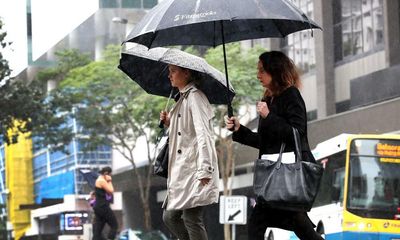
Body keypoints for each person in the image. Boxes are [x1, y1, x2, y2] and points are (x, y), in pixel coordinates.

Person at [225, 51, 323, 240]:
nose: (258, 75)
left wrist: (269, 116)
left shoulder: (291, 95)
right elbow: (264, 142)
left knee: (279, 225)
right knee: (273, 224)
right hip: (273, 176)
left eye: (262, 70)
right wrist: (238, 129)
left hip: (288, 175)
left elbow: (298, 133)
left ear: (275, 70)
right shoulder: (268, 99)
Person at [159, 64, 219, 240]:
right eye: (169, 71)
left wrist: (205, 168)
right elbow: (185, 134)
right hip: (183, 170)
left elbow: (203, 135)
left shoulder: (195, 97)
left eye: (173, 71)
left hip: (195, 169)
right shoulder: (182, 99)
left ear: (187, 73)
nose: (169, 75)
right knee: (170, 217)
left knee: (192, 219)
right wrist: (170, 122)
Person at [92, 166, 118, 240]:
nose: (111, 176)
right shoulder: (101, 181)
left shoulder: (99, 180)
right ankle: (111, 238)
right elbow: (111, 190)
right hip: (103, 207)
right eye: (110, 174)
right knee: (114, 225)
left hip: (98, 207)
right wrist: (109, 181)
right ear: (106, 173)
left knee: (98, 231)